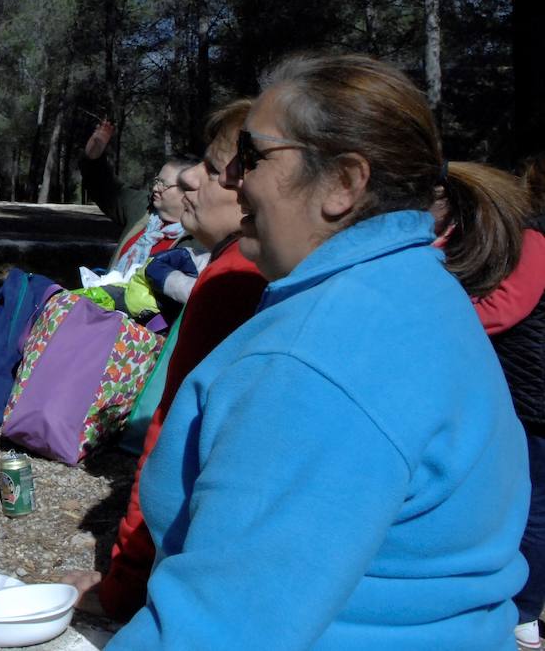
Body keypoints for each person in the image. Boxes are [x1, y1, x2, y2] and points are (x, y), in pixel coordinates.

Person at [107, 54, 528, 647]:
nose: (233, 179)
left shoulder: (314, 360)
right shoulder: (417, 290)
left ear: (342, 183)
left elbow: (220, 630)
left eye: (252, 155)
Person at [63, 99, 268, 621]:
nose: (190, 181)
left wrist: (123, 587)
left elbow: (172, 449)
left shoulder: (232, 278)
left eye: (217, 168)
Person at [436, 162, 545, 651]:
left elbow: (504, 309)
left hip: (533, 398)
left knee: (534, 508)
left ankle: (523, 611)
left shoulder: (531, 240)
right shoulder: (482, 234)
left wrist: (431, 311)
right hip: (525, 392)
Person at [81, 119, 191, 272]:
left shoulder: (199, 239)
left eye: (164, 185)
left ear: (188, 192)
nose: (155, 188)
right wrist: (94, 157)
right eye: (157, 181)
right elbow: (105, 189)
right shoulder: (143, 206)